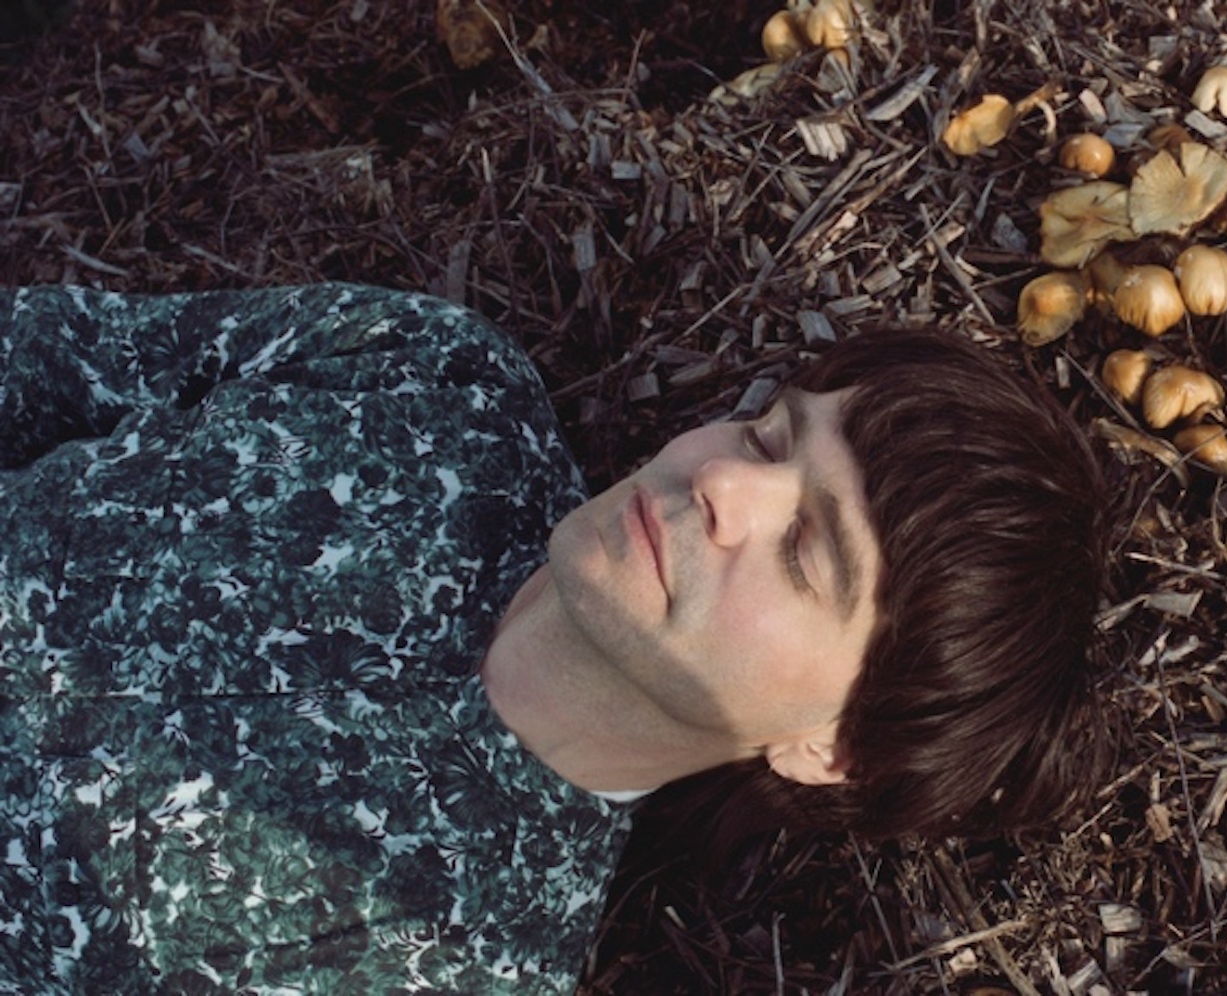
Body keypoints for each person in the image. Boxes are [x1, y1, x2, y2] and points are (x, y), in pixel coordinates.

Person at [0, 283, 1106, 993]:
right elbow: (47, 355)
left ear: (835, 747)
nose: (721, 482)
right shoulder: (434, 384)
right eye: (771, 437)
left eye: (807, 554)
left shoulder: (454, 960)